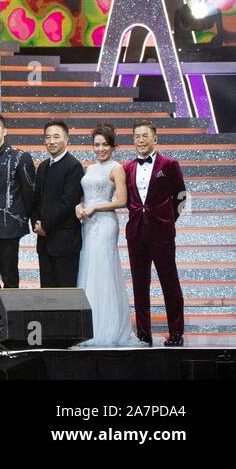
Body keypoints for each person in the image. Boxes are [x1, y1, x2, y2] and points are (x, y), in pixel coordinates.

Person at [76, 125, 143, 347]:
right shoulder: (89, 169)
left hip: (105, 224)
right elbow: (85, 196)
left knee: (104, 272)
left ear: (113, 146)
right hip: (87, 224)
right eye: (97, 144)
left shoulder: (116, 168)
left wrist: (96, 208)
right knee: (89, 270)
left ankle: (107, 328)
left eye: (105, 144)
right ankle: (88, 326)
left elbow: (122, 201)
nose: (100, 148)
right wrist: (81, 206)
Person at [124, 120, 187, 346]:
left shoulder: (169, 164)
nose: (140, 140)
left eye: (144, 136)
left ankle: (176, 333)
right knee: (140, 286)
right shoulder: (127, 167)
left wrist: (168, 221)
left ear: (155, 139)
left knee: (170, 283)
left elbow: (181, 196)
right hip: (135, 234)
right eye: (137, 136)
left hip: (162, 234)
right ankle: (143, 335)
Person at [0, 111, 36, 305]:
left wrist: (29, 221)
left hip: (9, 228)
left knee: (10, 278)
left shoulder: (20, 157)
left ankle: (12, 324)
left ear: (4, 131)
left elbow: (30, 195)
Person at [32, 120, 84, 288]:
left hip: (65, 242)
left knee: (65, 294)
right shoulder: (42, 167)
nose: (51, 141)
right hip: (44, 242)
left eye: (56, 137)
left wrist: (45, 225)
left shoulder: (73, 166)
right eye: (47, 137)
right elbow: (36, 199)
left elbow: (68, 203)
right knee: (47, 294)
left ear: (66, 139)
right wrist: (36, 223)